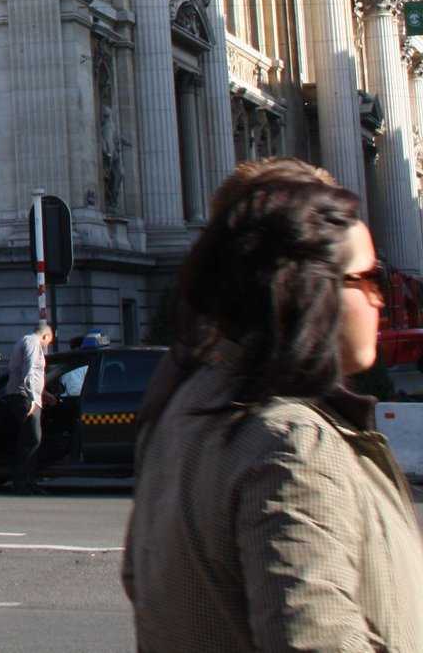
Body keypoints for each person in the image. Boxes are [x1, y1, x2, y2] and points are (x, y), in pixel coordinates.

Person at [124, 159, 423, 648]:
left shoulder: (180, 410)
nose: (380, 299)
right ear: (311, 287)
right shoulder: (293, 446)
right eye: (369, 279)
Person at [2, 321, 54, 495]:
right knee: (32, 439)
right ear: (45, 336)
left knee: (29, 440)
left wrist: (44, 393)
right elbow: (29, 370)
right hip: (25, 397)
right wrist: (32, 398)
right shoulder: (32, 342)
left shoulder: (26, 341)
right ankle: (22, 483)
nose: (47, 347)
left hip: (26, 396)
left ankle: (29, 482)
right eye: (48, 342)